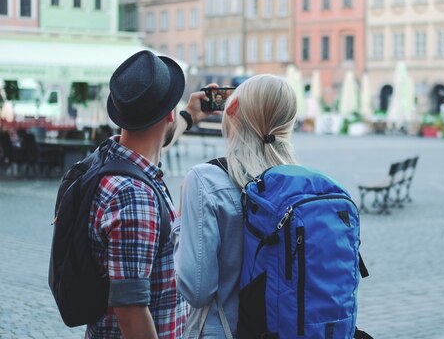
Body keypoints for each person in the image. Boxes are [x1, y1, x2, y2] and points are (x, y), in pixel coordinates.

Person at [86, 50, 217, 339]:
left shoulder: (107, 158)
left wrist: (191, 115)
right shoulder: (133, 195)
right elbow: (131, 311)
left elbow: (157, 142)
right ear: (167, 114)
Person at [174, 74, 298, 338]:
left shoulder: (205, 179)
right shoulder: (298, 182)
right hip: (285, 328)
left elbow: (197, 290)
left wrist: (180, 222)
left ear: (230, 109)